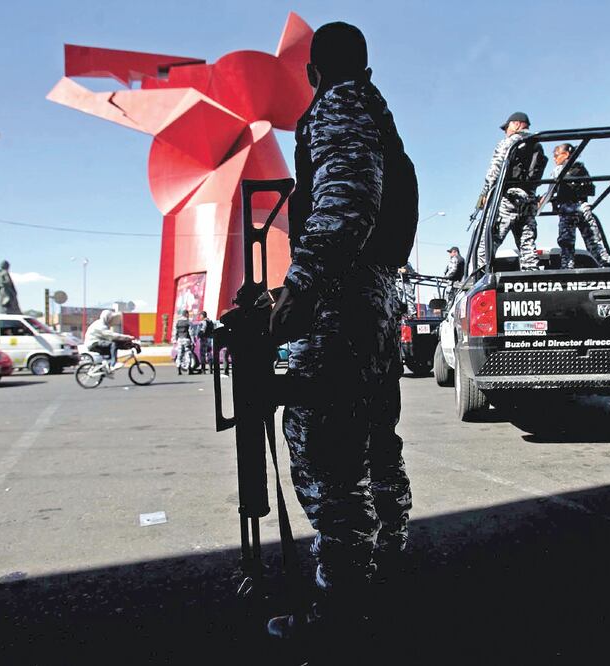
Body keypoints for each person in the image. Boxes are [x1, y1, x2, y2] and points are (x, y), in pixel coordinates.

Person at [266, 21, 414, 638]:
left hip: (342, 301)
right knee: (375, 438)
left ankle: (341, 606)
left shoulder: (338, 105)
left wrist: (301, 288)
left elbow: (347, 198)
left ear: (313, 73)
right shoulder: (377, 111)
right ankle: (387, 560)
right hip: (375, 297)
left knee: (326, 449)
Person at [476, 112, 545, 271]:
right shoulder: (537, 143)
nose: (506, 132)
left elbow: (494, 171)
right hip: (528, 199)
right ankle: (532, 278)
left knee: (486, 243)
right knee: (527, 245)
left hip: (508, 197)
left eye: (507, 128)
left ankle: (479, 279)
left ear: (516, 124)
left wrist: (485, 194)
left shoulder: (510, 142)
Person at [547, 143, 610, 269]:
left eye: (556, 155)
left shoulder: (571, 169)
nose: (554, 159)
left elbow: (555, 190)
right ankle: (602, 266)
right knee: (581, 241)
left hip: (573, 208)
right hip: (573, 208)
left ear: (566, 154)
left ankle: (602, 265)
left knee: (583, 241)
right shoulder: (572, 169)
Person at [172, 309, 194, 375]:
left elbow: (175, 331)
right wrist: (193, 341)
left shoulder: (177, 322)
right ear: (186, 314)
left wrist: (174, 340)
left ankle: (179, 369)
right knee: (188, 353)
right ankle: (189, 370)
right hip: (186, 339)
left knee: (179, 354)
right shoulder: (188, 322)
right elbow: (191, 332)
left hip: (179, 340)